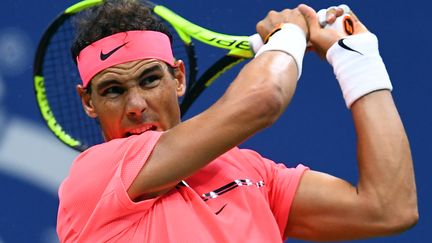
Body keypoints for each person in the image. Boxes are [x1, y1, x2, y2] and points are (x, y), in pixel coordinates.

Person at [57, 0, 418, 242]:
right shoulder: (94, 177)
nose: (136, 105)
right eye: (113, 91)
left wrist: (358, 61)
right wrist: (288, 36)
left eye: (150, 80)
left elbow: (388, 207)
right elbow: (264, 99)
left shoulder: (249, 170)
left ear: (178, 78)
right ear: (88, 102)